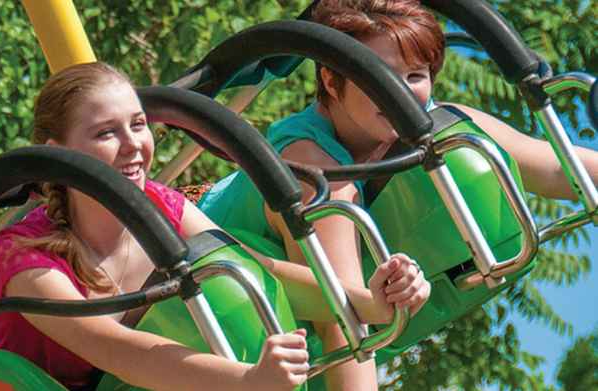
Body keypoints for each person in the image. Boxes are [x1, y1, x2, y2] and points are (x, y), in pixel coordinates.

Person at [199, 0, 597, 389]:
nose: (400, 95)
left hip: (305, 326)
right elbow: (341, 321)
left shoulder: (437, 128)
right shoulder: (312, 169)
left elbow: (560, 168)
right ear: (330, 81)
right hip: (207, 303)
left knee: (461, 145)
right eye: (379, 78)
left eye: (415, 76)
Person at [0, 61, 430, 391]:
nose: (134, 146)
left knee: (227, 276)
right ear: (57, 154)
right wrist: (248, 380)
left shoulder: (161, 204)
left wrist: (371, 303)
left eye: (138, 125)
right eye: (106, 133)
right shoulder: (27, 257)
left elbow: (260, 270)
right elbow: (118, 350)